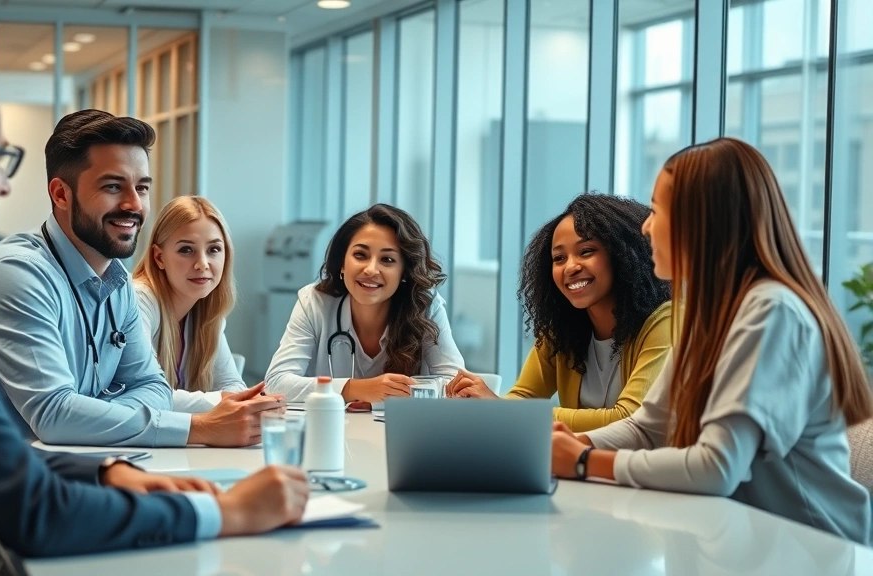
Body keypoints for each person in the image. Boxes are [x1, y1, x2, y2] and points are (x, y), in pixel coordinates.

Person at [0, 39, 308, 576]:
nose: (3, 185)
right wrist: (221, 510)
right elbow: (30, 505)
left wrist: (103, 470)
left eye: (142, 187)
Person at [550, 137, 873, 544]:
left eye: (657, 210)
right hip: (735, 544)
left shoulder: (771, 312)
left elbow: (717, 467)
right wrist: (572, 444)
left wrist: (584, 461)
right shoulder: (708, 316)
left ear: (698, 222)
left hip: (806, 552)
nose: (645, 226)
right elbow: (648, 428)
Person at [0, 108, 282, 448]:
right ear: (61, 194)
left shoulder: (116, 283)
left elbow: (154, 388)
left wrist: (93, 415)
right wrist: (198, 428)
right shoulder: (18, 275)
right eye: (113, 186)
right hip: (3, 487)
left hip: (84, 469)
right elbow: (55, 416)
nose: (134, 205)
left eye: (143, 188)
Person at [446, 194, 672, 432]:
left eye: (586, 251)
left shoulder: (664, 323)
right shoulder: (562, 330)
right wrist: (481, 403)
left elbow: (630, 419)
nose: (570, 267)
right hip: (579, 465)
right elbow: (523, 397)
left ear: (622, 255)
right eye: (559, 258)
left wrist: (504, 410)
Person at [265, 203, 465, 403]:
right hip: (333, 429)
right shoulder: (314, 302)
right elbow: (276, 383)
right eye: (360, 255)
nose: (371, 269)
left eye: (387, 259)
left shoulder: (424, 304)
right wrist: (354, 388)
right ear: (342, 263)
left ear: (403, 272)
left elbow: (457, 385)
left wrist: (396, 390)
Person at [132, 196, 247, 411]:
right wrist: (225, 401)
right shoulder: (139, 301)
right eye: (186, 250)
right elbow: (146, 396)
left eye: (214, 249)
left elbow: (233, 386)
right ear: (159, 257)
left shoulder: (208, 312)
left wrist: (242, 401)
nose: (202, 264)